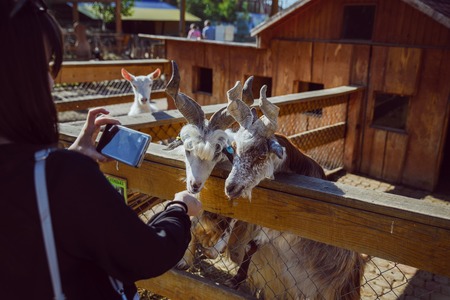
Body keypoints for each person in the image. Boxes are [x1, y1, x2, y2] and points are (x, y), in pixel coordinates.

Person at [0, 1, 202, 299]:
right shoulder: (63, 178)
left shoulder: (50, 175)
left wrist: (66, 157)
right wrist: (179, 209)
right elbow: (146, 254)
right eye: (42, 66)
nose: (51, 80)